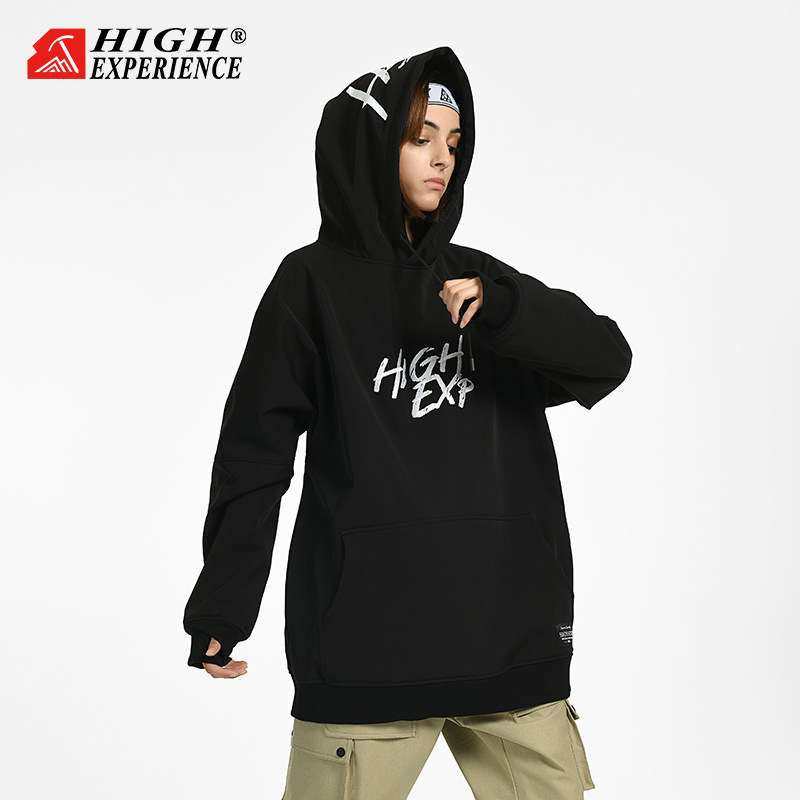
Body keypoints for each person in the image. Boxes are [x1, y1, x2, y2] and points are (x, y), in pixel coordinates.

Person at [183, 45, 632, 799]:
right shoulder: (309, 285)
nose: (442, 159)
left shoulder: (478, 282)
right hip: (367, 651)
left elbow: (607, 359)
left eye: (453, 142)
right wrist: (225, 604)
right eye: (420, 138)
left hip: (511, 641)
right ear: (372, 144)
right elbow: (255, 451)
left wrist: (506, 311)